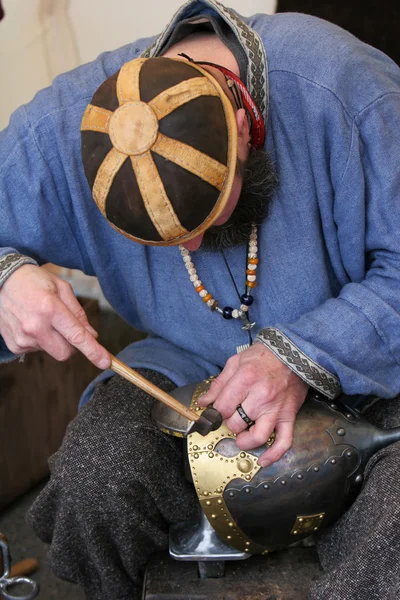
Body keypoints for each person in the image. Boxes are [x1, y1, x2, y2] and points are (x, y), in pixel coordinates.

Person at [0, 1, 399, 598]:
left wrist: (302, 353)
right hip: (183, 370)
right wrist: (8, 278)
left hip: (362, 379)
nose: (189, 244)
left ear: (243, 128)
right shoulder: (59, 131)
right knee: (95, 479)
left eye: (209, 218)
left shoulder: (346, 91)